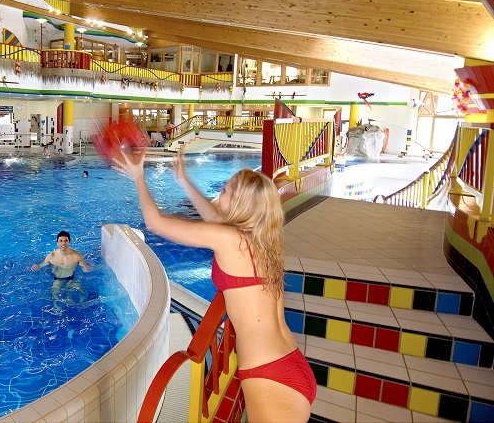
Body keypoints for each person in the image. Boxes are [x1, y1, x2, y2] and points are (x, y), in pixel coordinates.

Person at [114, 150, 316, 422]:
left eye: (224, 189)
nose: (220, 192)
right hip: (290, 360)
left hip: (268, 375)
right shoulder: (261, 237)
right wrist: (183, 180)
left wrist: (139, 177)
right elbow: (214, 220)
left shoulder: (230, 238)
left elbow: (155, 223)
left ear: (239, 203)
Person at [31, 231, 92, 309]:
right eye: (61, 241)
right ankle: (59, 310)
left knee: (82, 292)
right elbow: (43, 264)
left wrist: (87, 268)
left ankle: (80, 307)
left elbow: (85, 266)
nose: (63, 243)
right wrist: (37, 266)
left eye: (66, 240)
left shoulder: (76, 256)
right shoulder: (51, 256)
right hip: (57, 279)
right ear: (57, 243)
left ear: (69, 242)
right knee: (54, 293)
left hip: (71, 278)